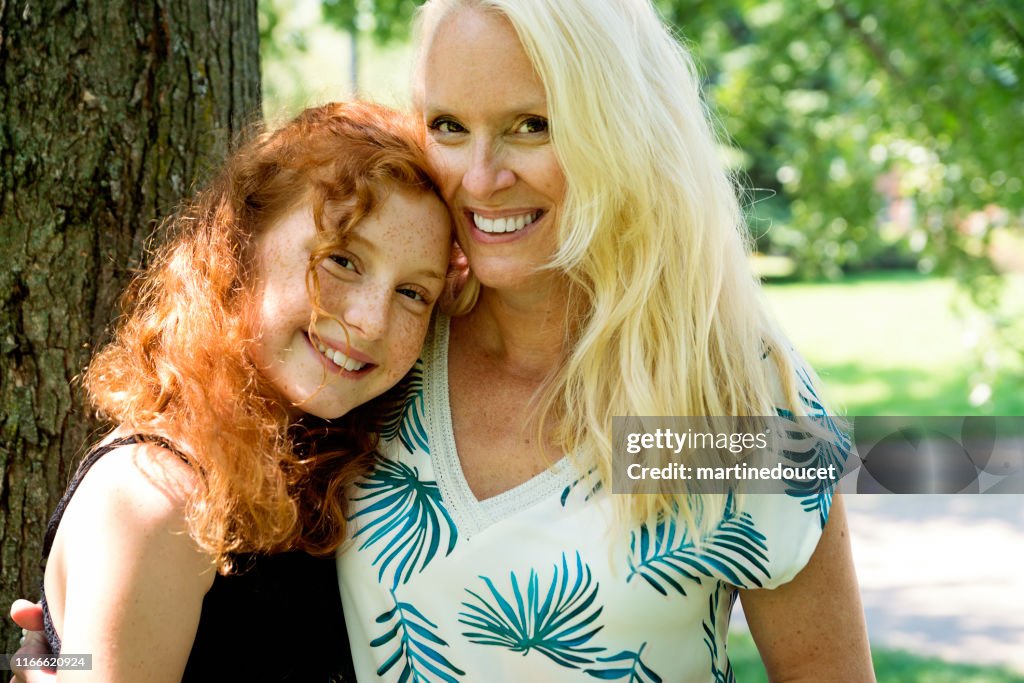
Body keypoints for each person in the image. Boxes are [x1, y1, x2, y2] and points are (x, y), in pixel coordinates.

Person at [335, 0, 875, 681]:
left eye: (532, 126)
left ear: (619, 128)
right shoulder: (385, 348)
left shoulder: (722, 389)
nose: (479, 176)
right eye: (448, 126)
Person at [10, 100, 452, 681]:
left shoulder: (326, 465)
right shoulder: (156, 498)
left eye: (414, 293)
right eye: (341, 259)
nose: (371, 321)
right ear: (241, 246)